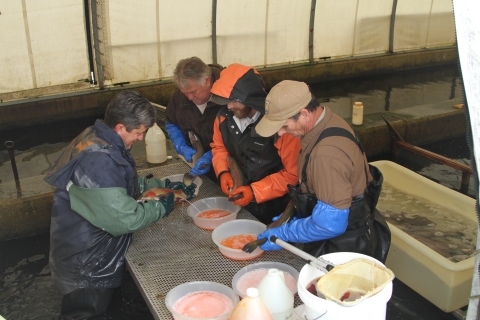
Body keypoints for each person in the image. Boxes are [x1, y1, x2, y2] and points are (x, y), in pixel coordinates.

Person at [44, 90, 195, 319]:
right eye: (138, 133)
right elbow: (126, 218)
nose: (141, 139)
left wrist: (157, 185)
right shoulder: (99, 160)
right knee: (86, 313)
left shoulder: (97, 137)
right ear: (120, 127)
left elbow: (115, 187)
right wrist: (163, 205)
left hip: (83, 247)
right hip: (86, 263)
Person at [254, 80, 391, 262]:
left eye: (284, 126)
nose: (280, 133)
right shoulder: (328, 121)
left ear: (304, 114)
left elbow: (330, 225)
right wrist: (295, 216)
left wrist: (285, 233)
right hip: (357, 226)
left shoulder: (326, 155)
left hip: (343, 248)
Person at [209, 64, 301, 224]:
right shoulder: (222, 117)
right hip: (241, 202)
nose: (229, 106)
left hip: (278, 207)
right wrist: (222, 171)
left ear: (251, 97)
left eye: (235, 100)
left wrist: (254, 192)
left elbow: (292, 174)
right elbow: (219, 147)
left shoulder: (282, 126)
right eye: (227, 100)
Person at [165, 57, 225, 182]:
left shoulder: (228, 95)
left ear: (207, 81)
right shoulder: (179, 97)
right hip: (196, 164)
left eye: (193, 92)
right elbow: (171, 122)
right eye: (185, 93)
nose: (189, 97)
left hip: (226, 168)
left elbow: (239, 136)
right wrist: (180, 144)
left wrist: (213, 155)